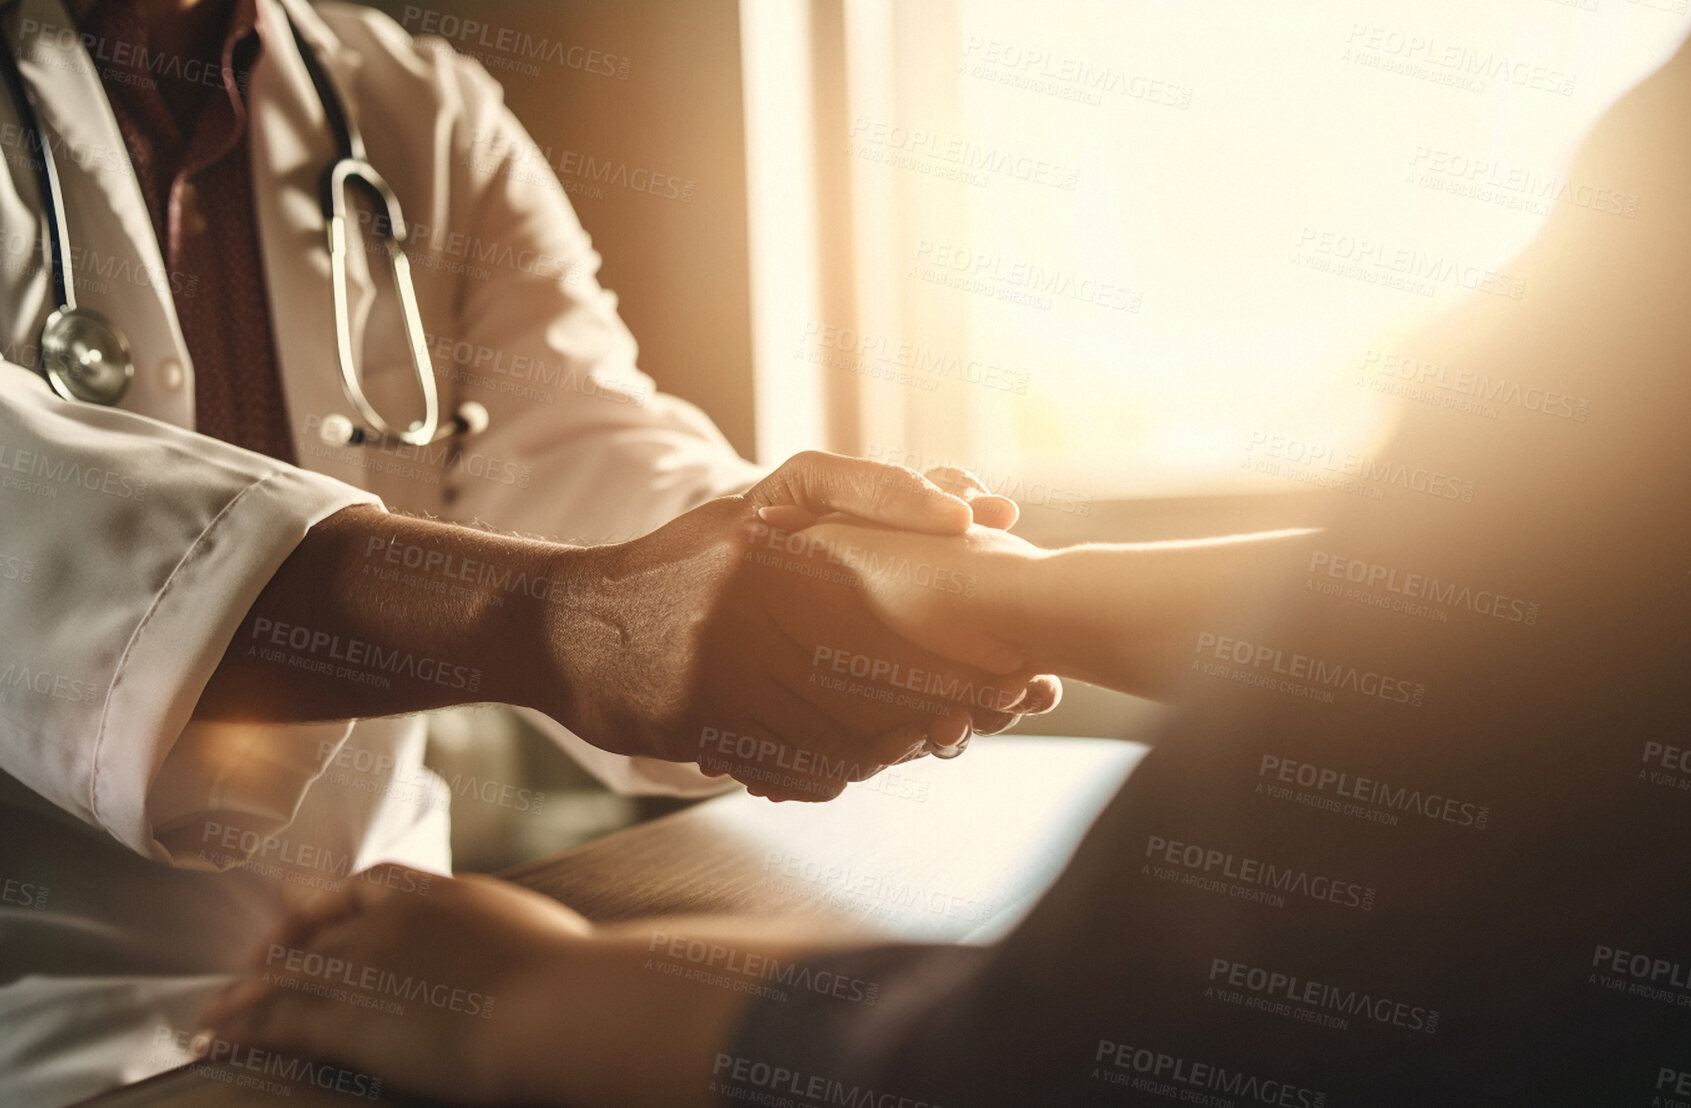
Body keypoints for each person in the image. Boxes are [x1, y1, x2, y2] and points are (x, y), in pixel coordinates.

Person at [194, 0, 1691, 1102]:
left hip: (352, 960)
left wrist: (541, 999)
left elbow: (1079, 1057)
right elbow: (1586, 590)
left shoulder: (405, 105)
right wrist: (972, 599)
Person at [0, 0, 1057, 1102]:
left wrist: (798, 569)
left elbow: (582, 444)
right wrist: (562, 618)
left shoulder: (416, 107)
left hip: (382, 972)